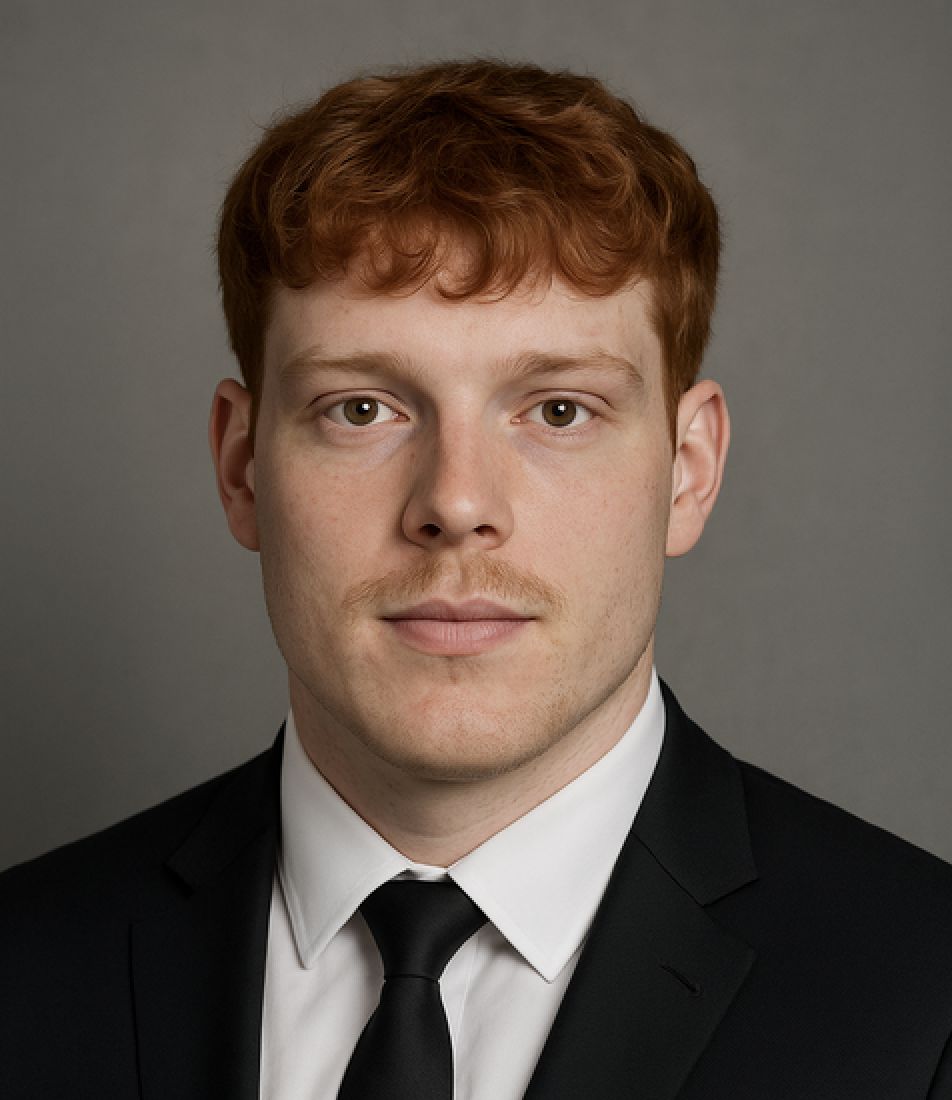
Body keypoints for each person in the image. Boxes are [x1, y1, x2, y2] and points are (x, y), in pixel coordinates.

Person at [1, 59, 951, 1100]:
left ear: (687, 470)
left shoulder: (925, 997)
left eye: (557, 410)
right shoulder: (26, 965)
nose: (454, 502)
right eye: (361, 408)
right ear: (241, 466)